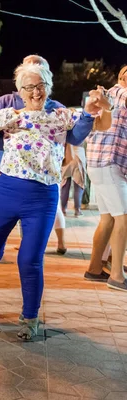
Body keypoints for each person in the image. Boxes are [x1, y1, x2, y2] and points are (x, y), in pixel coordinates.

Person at [0, 63, 100, 341]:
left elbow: (77, 135)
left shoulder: (61, 115)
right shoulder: (8, 114)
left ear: (48, 88)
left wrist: (89, 112)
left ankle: (30, 316)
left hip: (41, 196)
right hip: (6, 189)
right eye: (29, 87)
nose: (35, 92)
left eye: (40, 86)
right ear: (20, 91)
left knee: (29, 259)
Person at [84, 66, 127, 291]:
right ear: (121, 76)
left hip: (99, 164)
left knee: (108, 218)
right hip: (110, 163)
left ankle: (95, 268)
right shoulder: (120, 92)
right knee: (123, 218)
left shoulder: (110, 94)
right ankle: (117, 276)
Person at [61, 144, 87, 217]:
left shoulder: (65, 132)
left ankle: (63, 209)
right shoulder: (81, 131)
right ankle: (77, 210)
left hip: (66, 154)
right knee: (79, 185)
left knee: (65, 184)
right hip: (79, 154)